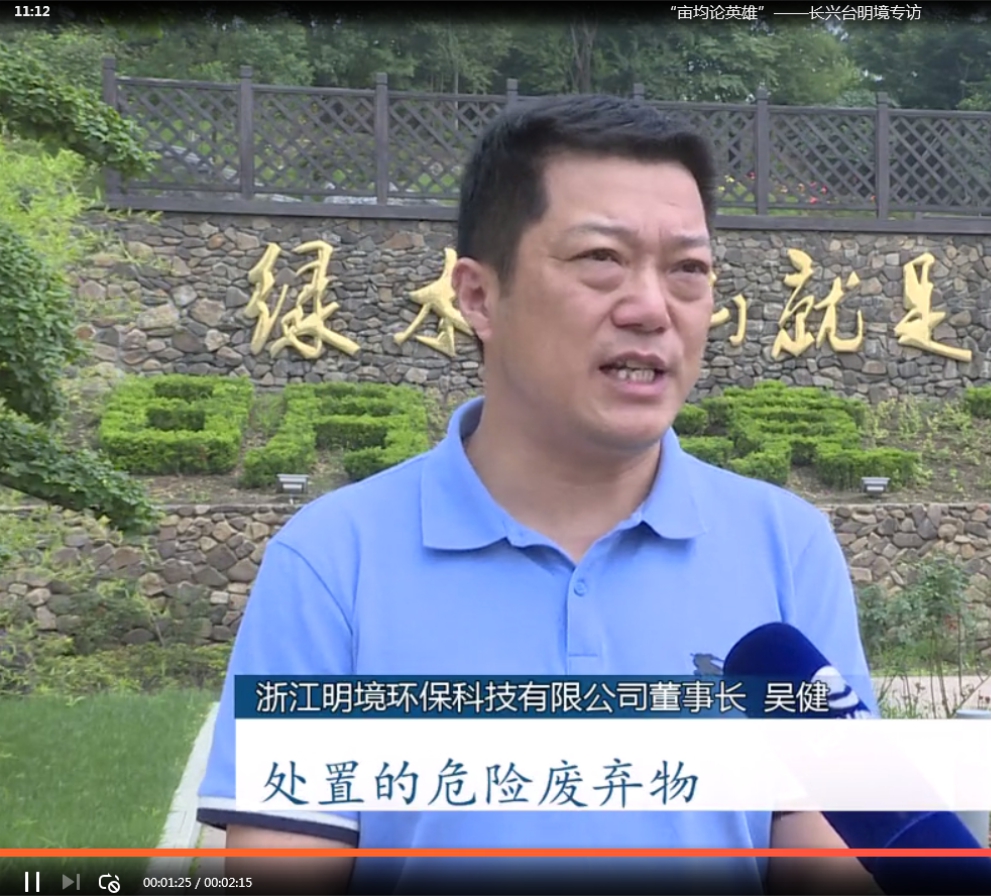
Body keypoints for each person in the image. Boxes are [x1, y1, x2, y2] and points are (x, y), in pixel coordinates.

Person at [195, 94, 881, 895]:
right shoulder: (332, 562)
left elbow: (828, 860)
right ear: (479, 297)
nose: (651, 308)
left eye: (687, 270)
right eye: (601, 259)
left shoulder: (785, 547)